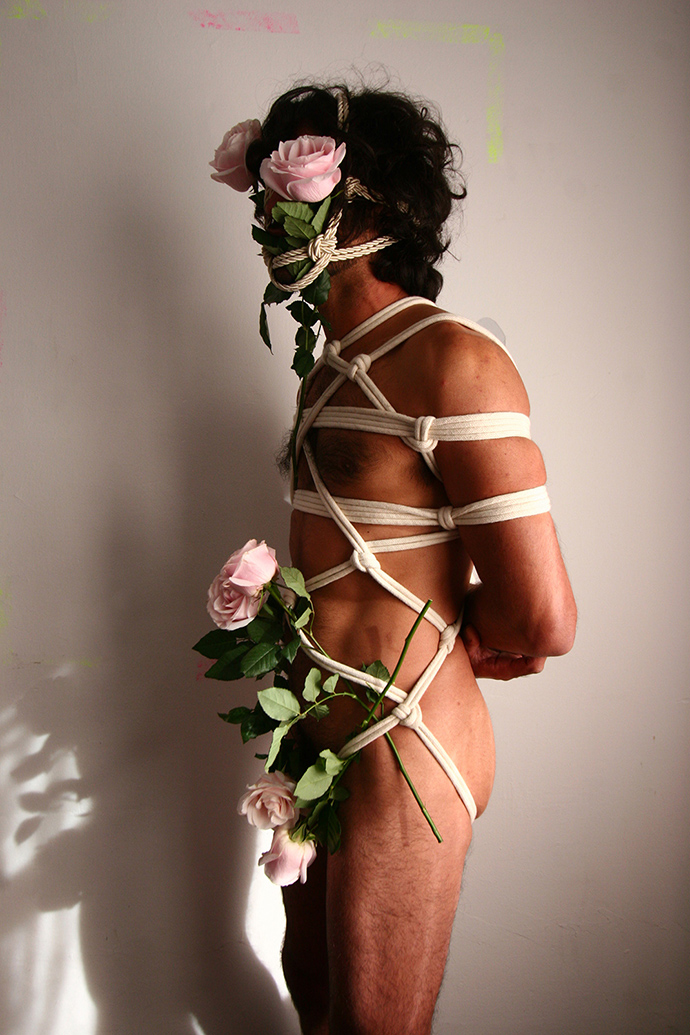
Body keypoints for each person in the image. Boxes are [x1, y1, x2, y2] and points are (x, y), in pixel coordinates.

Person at [242, 82, 577, 1035]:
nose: (265, 221)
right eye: (263, 194)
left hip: (406, 738)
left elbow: (544, 619)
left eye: (287, 194)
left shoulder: (454, 359)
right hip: (313, 737)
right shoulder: (325, 368)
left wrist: (466, 643)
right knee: (312, 997)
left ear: (370, 202)